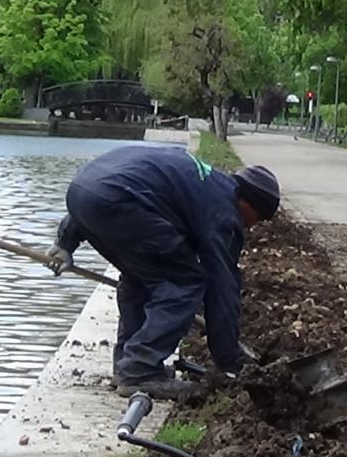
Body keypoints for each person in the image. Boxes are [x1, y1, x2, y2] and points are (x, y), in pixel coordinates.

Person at [44, 145, 280, 399]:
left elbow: (109, 183)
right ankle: (140, 370)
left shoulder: (202, 181)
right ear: (248, 203)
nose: (251, 226)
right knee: (185, 282)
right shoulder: (223, 211)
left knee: (143, 277)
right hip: (116, 201)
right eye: (258, 218)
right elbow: (222, 285)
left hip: (82, 190)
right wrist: (229, 357)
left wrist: (66, 241)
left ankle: (127, 365)